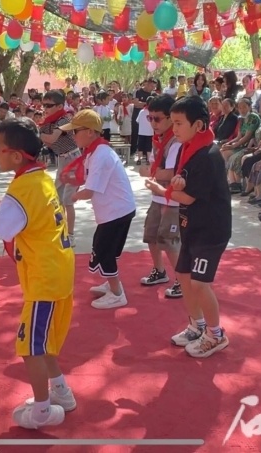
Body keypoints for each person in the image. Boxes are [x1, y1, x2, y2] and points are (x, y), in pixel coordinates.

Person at [0, 118, 76, 429]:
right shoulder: (40, 178)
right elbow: (28, 210)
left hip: (44, 278)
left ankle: (41, 411)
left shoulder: (22, 188)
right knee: (43, 342)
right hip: (56, 271)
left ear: (15, 155)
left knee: (30, 348)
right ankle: (61, 392)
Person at [145, 95, 232, 358]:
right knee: (183, 276)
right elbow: (183, 179)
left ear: (199, 125)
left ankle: (216, 335)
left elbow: (189, 197)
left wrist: (163, 189)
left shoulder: (208, 155)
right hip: (190, 224)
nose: (175, 129)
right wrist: (179, 180)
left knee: (199, 283)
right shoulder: (188, 147)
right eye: (173, 123)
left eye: (180, 123)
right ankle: (197, 325)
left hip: (211, 229)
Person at [59, 110, 136, 309]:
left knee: (105, 251)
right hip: (114, 210)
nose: (72, 135)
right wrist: (73, 180)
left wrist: (73, 196)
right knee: (104, 248)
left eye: (76, 131)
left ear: (91, 132)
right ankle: (112, 284)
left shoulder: (100, 154)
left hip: (116, 212)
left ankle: (117, 293)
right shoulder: (95, 151)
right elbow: (87, 177)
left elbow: (90, 190)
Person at [137, 94, 183, 298]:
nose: (153, 123)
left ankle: (182, 281)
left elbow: (173, 172)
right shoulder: (160, 139)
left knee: (170, 241)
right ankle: (160, 271)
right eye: (150, 118)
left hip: (172, 199)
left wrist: (150, 172)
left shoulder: (176, 142)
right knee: (151, 236)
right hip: (158, 196)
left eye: (157, 119)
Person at [40, 90, 80, 247]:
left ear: (59, 106)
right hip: (62, 160)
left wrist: (35, 132)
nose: (45, 108)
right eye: (44, 105)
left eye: (48, 105)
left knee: (68, 200)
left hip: (73, 159)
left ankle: (70, 235)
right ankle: (62, 230)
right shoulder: (49, 121)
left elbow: (51, 139)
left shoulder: (64, 119)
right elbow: (49, 143)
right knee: (57, 198)